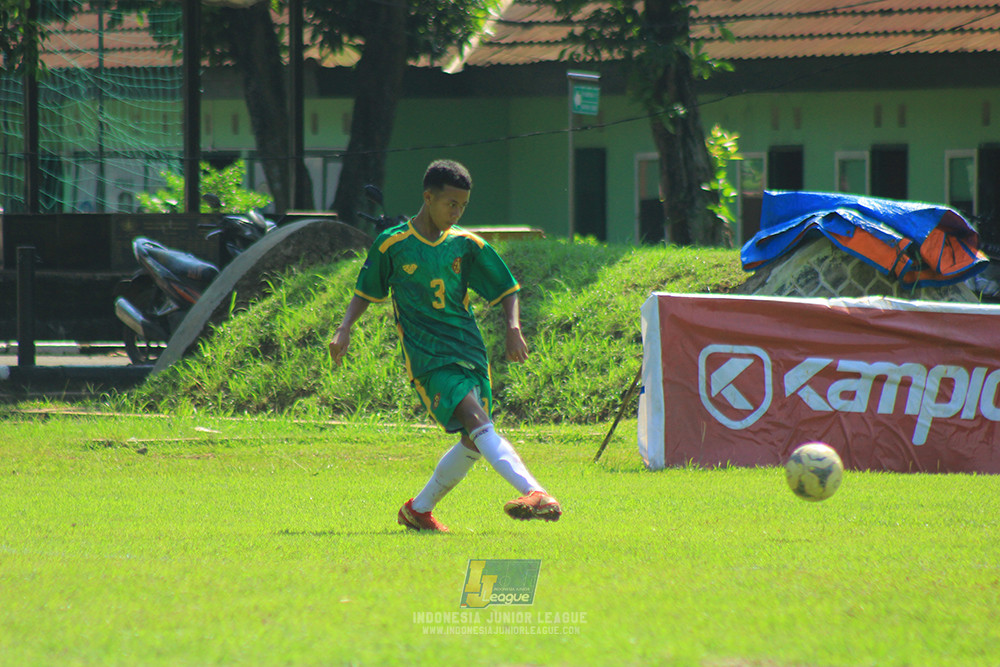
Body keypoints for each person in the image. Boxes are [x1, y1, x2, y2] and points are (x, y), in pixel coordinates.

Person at [328, 159, 561, 533]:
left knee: (473, 439)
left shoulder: (465, 245)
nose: (456, 212)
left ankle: (418, 510)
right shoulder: (393, 245)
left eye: (463, 206)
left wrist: (513, 328)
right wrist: (343, 329)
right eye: (450, 204)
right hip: (428, 357)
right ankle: (534, 492)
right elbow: (365, 292)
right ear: (428, 197)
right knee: (476, 419)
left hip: (469, 350)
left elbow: (507, 287)